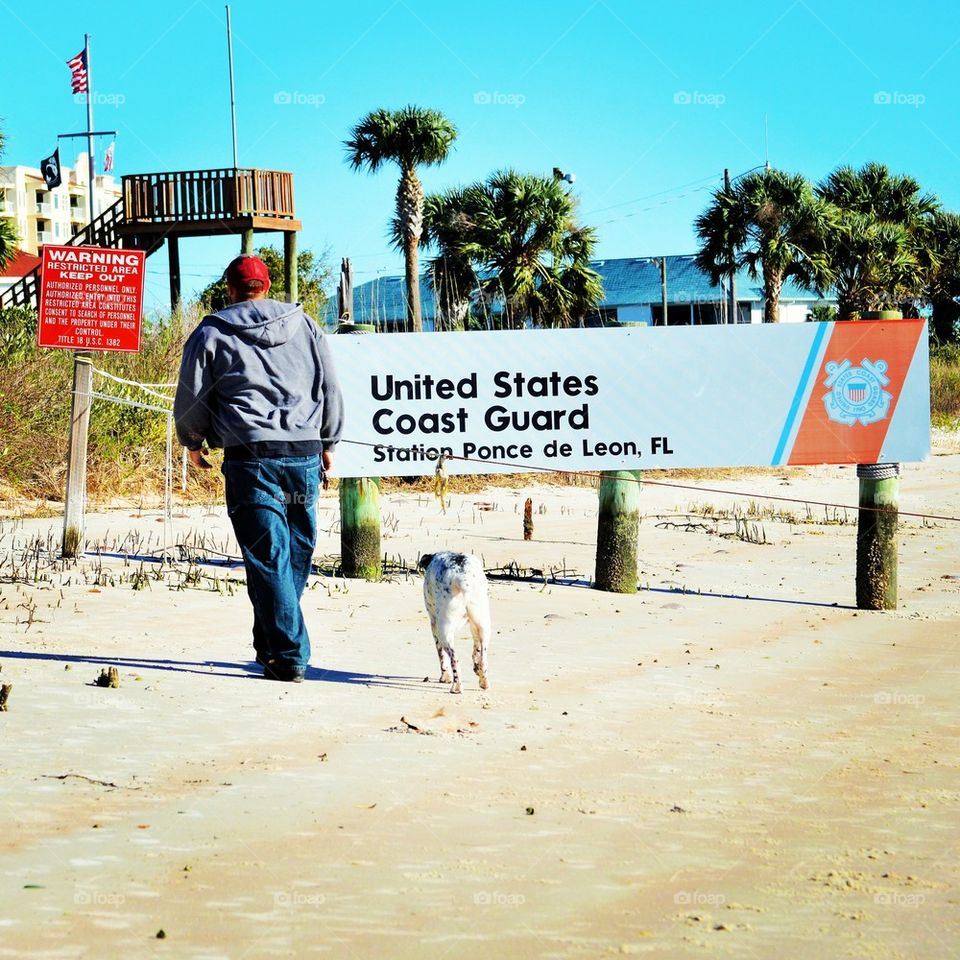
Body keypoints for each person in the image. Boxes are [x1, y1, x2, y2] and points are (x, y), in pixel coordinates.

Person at [174, 254, 344, 682]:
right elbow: (329, 384)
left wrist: (192, 443)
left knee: (273, 557)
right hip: (303, 456)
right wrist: (329, 441)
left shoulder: (212, 332)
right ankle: (274, 643)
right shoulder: (305, 326)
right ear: (266, 286)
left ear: (230, 288)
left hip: (251, 460)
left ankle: (287, 654)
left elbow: (192, 395)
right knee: (293, 550)